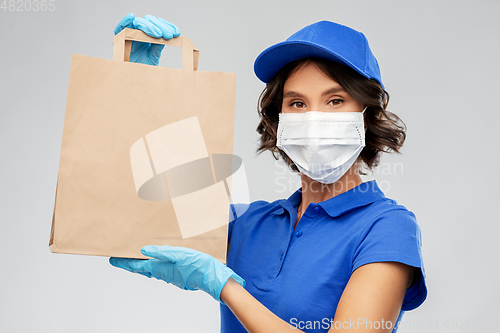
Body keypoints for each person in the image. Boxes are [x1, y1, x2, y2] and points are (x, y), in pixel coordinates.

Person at [110, 13, 427, 333]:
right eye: (297, 104)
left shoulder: (387, 227)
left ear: (366, 115)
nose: (314, 118)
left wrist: (226, 288)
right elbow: (132, 214)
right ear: (280, 121)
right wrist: (137, 86)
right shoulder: (249, 224)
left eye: (335, 100)